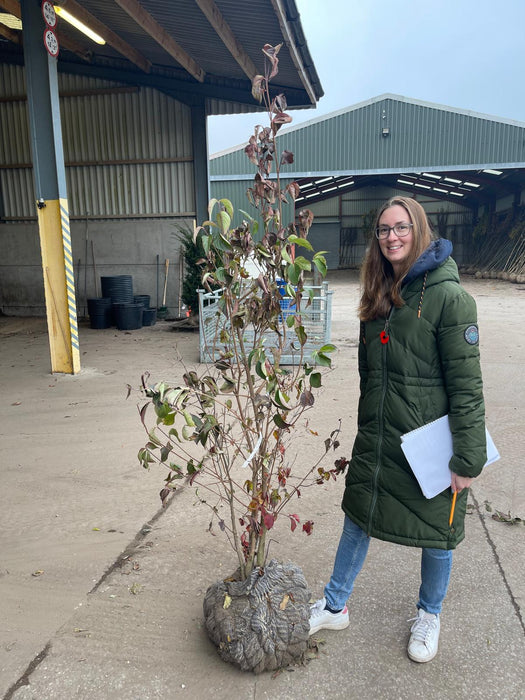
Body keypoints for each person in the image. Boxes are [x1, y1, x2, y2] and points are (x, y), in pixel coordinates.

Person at [310, 196, 487, 663]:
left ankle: (429, 614)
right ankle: (334, 604)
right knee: (359, 514)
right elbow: (371, 375)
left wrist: (467, 459)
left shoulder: (449, 298)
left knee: (438, 531)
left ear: (419, 230)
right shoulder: (379, 294)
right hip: (381, 433)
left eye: (401, 227)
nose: (391, 236)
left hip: (429, 443)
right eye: (384, 229)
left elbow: (467, 387)